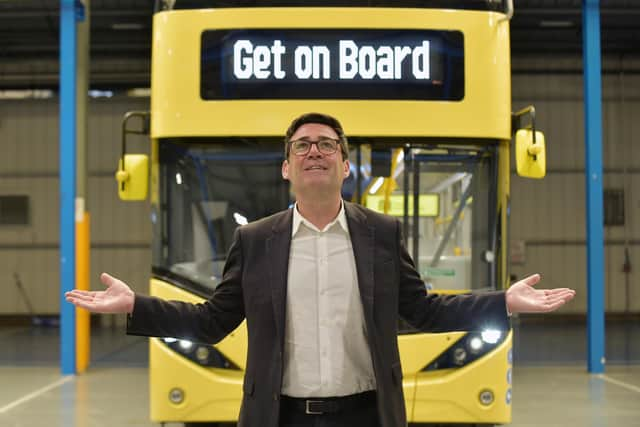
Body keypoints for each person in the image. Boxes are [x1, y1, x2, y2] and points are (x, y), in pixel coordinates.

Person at [66, 112, 576, 427]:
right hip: (277, 414)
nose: (315, 151)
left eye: (327, 144)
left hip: (366, 414)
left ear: (345, 165)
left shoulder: (381, 233)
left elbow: (421, 310)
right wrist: (136, 305)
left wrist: (504, 301)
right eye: (302, 146)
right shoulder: (255, 240)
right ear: (287, 167)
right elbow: (213, 320)